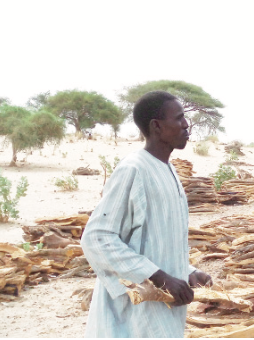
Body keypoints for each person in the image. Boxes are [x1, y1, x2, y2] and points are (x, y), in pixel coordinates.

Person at [82, 91, 213, 337]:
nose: (187, 125)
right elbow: (98, 238)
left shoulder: (168, 170)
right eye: (179, 118)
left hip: (162, 310)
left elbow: (157, 241)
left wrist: (188, 272)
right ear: (156, 126)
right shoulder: (134, 169)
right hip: (132, 314)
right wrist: (160, 278)